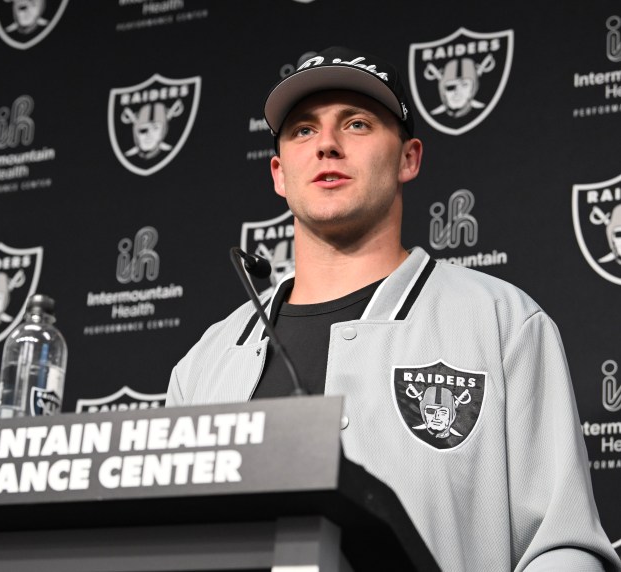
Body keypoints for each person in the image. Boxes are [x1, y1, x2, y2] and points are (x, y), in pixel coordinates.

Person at [166, 46, 621, 571]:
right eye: (303, 131)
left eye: (356, 124)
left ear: (409, 158)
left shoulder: (501, 322)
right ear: (278, 173)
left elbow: (564, 548)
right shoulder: (205, 363)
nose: (328, 146)